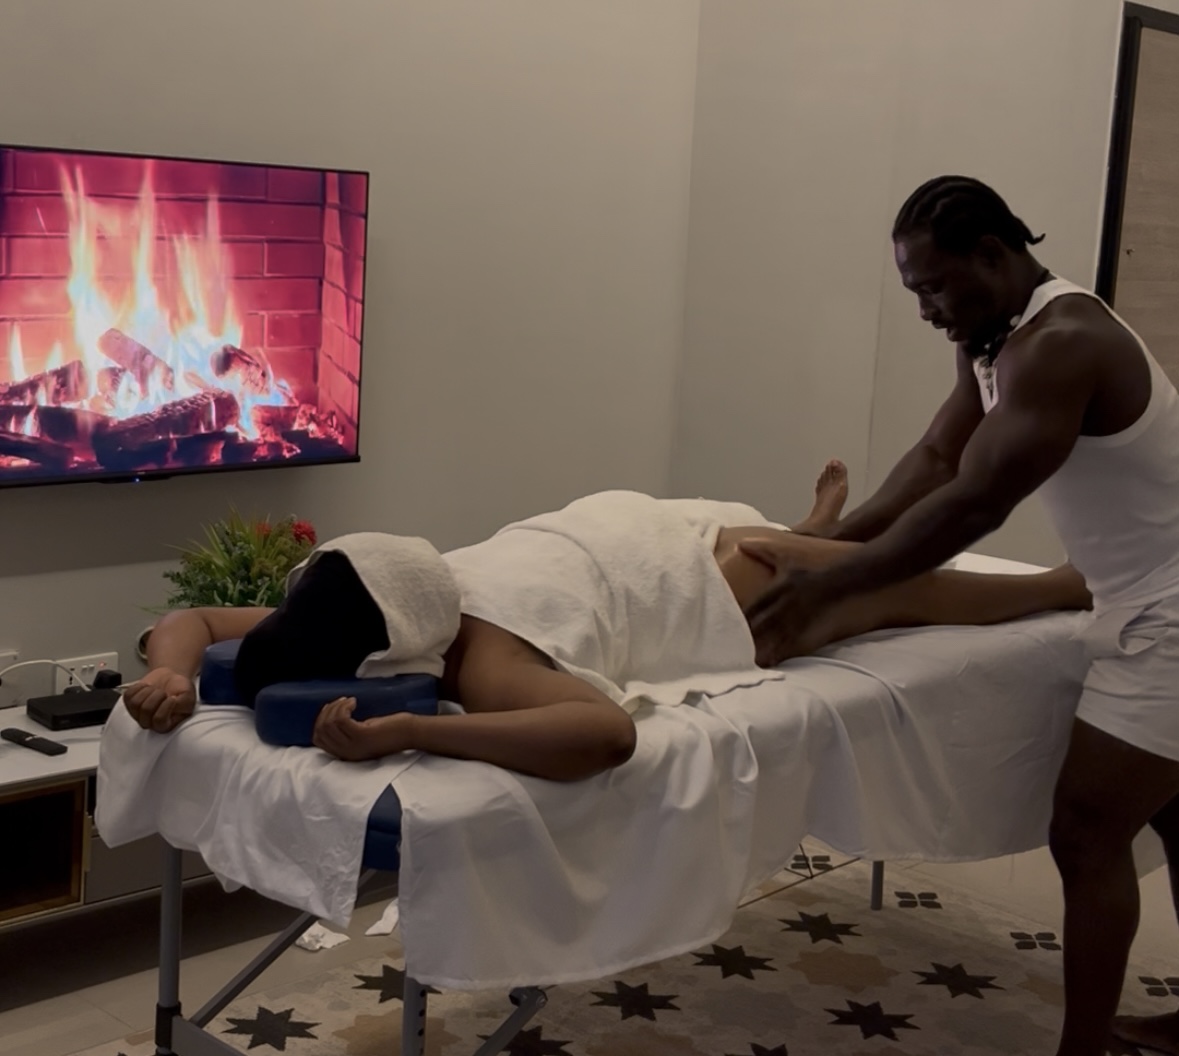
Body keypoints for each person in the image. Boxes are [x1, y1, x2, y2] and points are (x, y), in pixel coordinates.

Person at [744, 175, 1179, 1056]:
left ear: (994, 255)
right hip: (1131, 596)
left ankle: (1080, 1051)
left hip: (1169, 616)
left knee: (1087, 830)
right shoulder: (992, 333)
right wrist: (818, 547)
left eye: (934, 287)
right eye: (912, 293)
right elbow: (938, 457)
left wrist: (837, 581)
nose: (925, 311)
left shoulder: (1063, 341)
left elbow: (976, 503)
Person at [125, 462, 1088, 787]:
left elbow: (193, 615)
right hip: (690, 609)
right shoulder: (484, 659)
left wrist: (168, 672)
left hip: (610, 549)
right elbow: (605, 733)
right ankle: (1051, 588)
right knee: (869, 589)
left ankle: (801, 538)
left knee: (745, 539)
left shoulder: (350, 599)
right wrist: (415, 732)